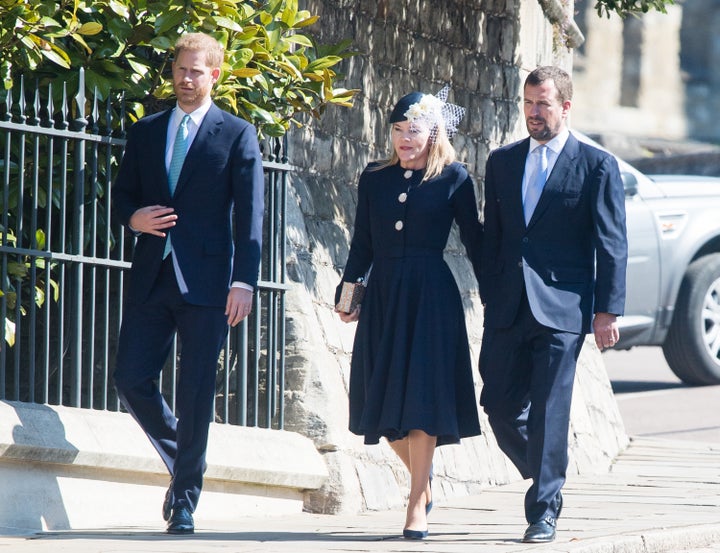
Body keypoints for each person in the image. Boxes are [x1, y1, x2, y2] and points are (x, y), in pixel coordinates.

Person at [112, 32, 264, 534]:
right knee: (131, 378)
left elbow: (251, 215)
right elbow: (122, 197)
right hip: (153, 276)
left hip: (210, 283)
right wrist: (134, 219)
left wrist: (244, 280)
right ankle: (185, 458)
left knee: (197, 391)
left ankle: (184, 502)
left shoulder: (237, 133)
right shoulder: (148, 130)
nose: (186, 78)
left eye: (197, 71)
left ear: (214, 75)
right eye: (181, 68)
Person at [478, 65, 628, 543]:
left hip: (563, 308)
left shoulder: (596, 165)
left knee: (549, 409)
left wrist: (607, 311)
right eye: (527, 103)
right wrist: (490, 290)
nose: (533, 113)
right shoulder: (501, 162)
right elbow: (493, 239)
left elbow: (612, 244)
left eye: (543, 104)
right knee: (499, 405)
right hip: (508, 305)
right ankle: (547, 473)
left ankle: (543, 509)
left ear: (565, 106)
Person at [335, 86, 483, 540]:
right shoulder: (374, 178)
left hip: (430, 298)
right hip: (383, 296)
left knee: (422, 401)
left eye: (413, 130)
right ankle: (425, 477)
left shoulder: (454, 177)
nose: (404, 138)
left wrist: (502, 291)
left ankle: (416, 501)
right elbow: (362, 243)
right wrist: (348, 291)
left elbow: (476, 243)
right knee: (376, 401)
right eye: (398, 130)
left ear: (433, 132)